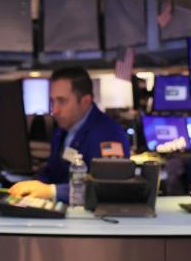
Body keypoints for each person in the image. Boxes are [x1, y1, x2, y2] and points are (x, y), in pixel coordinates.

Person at [9, 66, 129, 202]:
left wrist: (52, 191)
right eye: (52, 101)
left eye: (62, 101)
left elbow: (108, 187)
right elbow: (52, 171)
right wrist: (33, 185)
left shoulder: (109, 134)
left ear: (85, 101)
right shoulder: (63, 129)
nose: (55, 110)